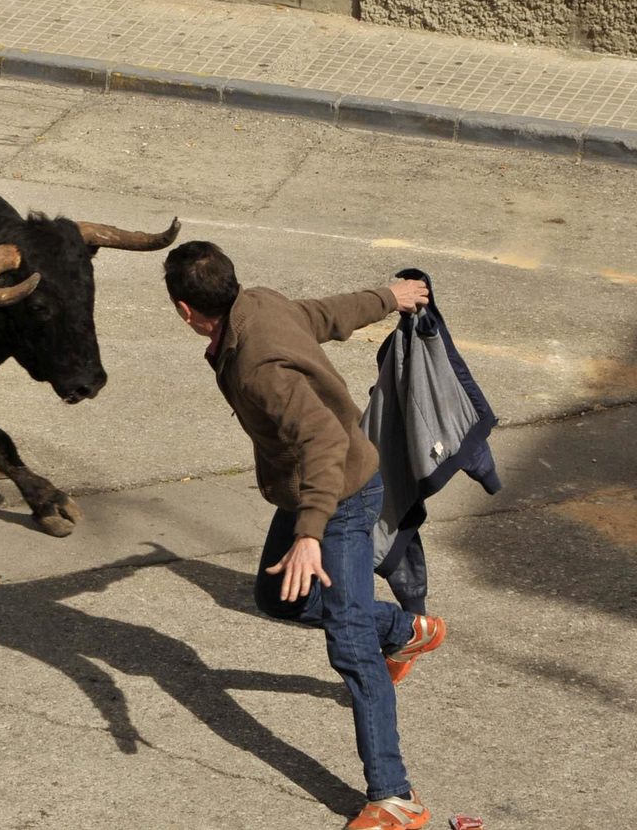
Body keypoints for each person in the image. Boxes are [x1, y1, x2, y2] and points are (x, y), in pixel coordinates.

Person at [163, 240, 445, 830]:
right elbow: (324, 314)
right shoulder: (258, 304)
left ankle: (395, 798)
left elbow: (326, 443)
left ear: (187, 311)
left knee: (348, 641)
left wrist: (310, 533)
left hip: (336, 494)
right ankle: (405, 628)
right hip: (308, 491)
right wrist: (387, 298)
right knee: (277, 597)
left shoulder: (258, 366)